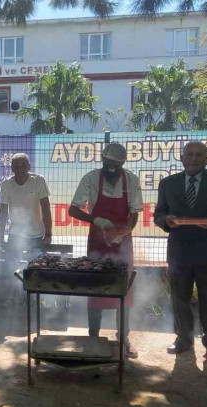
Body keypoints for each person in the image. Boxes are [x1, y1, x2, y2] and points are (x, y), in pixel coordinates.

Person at [154, 141, 207, 361]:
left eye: (199, 154)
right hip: (179, 251)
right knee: (180, 298)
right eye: (189, 154)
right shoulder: (167, 184)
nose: (194, 158)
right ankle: (183, 339)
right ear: (181, 158)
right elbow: (158, 214)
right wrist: (166, 220)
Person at [69, 143, 143, 358]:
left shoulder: (131, 180)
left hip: (123, 242)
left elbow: (135, 211)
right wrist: (95, 219)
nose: (110, 168)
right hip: (97, 240)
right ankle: (93, 336)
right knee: (96, 287)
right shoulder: (91, 178)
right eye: (107, 163)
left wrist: (127, 230)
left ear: (123, 163)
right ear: (102, 160)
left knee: (124, 288)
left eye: (115, 164)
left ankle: (124, 337)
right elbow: (73, 209)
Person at [0, 153, 52, 302]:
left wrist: (49, 234)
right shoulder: (6, 184)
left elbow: (46, 208)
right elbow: (3, 212)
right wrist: (0, 236)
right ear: (11, 168)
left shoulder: (38, 181)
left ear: (29, 166)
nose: (20, 169)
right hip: (16, 233)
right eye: (16, 166)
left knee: (35, 268)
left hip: (36, 233)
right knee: (11, 266)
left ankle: (34, 298)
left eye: (23, 165)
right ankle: (14, 296)